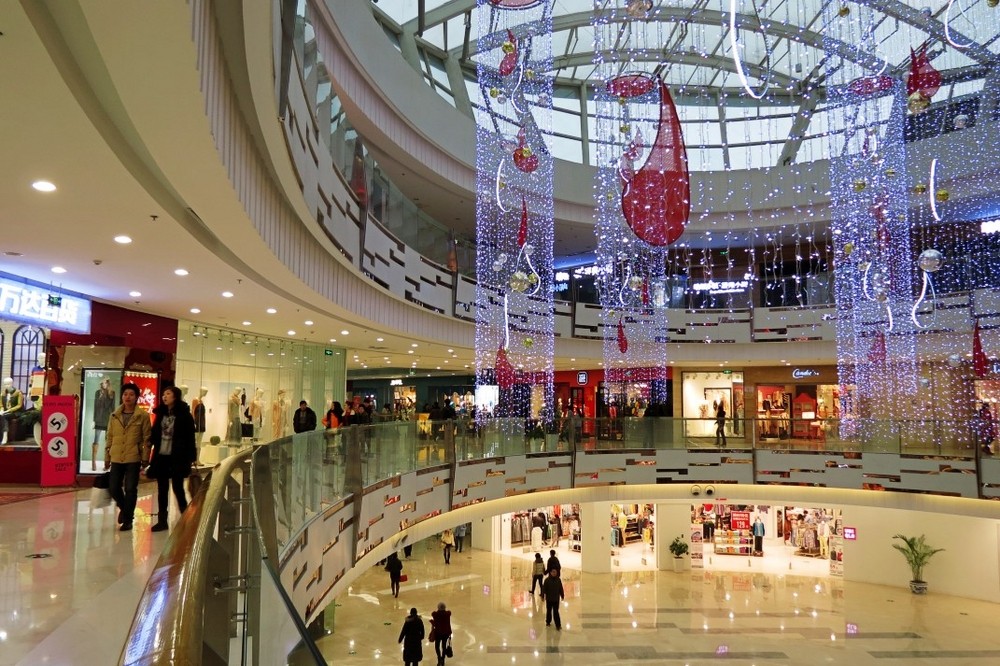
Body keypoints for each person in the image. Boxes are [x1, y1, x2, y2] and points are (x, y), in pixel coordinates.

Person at [149, 386, 197, 532]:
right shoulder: (161, 414)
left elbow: (190, 437)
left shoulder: (184, 415)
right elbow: (155, 433)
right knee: (162, 489)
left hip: (178, 456)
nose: (164, 396)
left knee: (178, 487)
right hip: (161, 456)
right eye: (163, 394)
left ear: (175, 396)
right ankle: (162, 520)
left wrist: (191, 457)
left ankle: (186, 517)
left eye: (168, 394)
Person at [105, 383, 151, 532]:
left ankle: (128, 520)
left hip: (133, 457)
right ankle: (125, 509)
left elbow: (147, 439)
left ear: (136, 397)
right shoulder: (114, 415)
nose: (128, 397)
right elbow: (109, 437)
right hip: (116, 456)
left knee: (131, 488)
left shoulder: (142, 416)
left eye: (131, 394)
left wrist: (145, 457)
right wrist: (107, 457)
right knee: (113, 487)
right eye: (125, 394)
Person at [430, 601, 452, 666]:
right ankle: (443, 659)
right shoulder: (448, 614)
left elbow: (434, 617)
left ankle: (439, 659)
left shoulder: (435, 614)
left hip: (438, 633)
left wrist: (432, 622)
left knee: (437, 646)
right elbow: (449, 612)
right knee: (444, 646)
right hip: (446, 633)